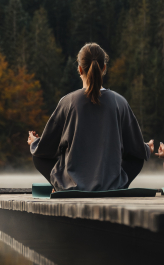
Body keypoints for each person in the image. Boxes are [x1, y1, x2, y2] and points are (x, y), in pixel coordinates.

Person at [27, 42, 153, 192]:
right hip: (111, 185)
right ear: (104, 68)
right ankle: (117, 187)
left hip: (72, 185)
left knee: (38, 156)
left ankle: (61, 187)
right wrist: (147, 148)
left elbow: (46, 149)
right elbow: (136, 149)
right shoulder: (120, 102)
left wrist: (34, 143)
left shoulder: (68, 102)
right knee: (138, 157)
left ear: (80, 69)